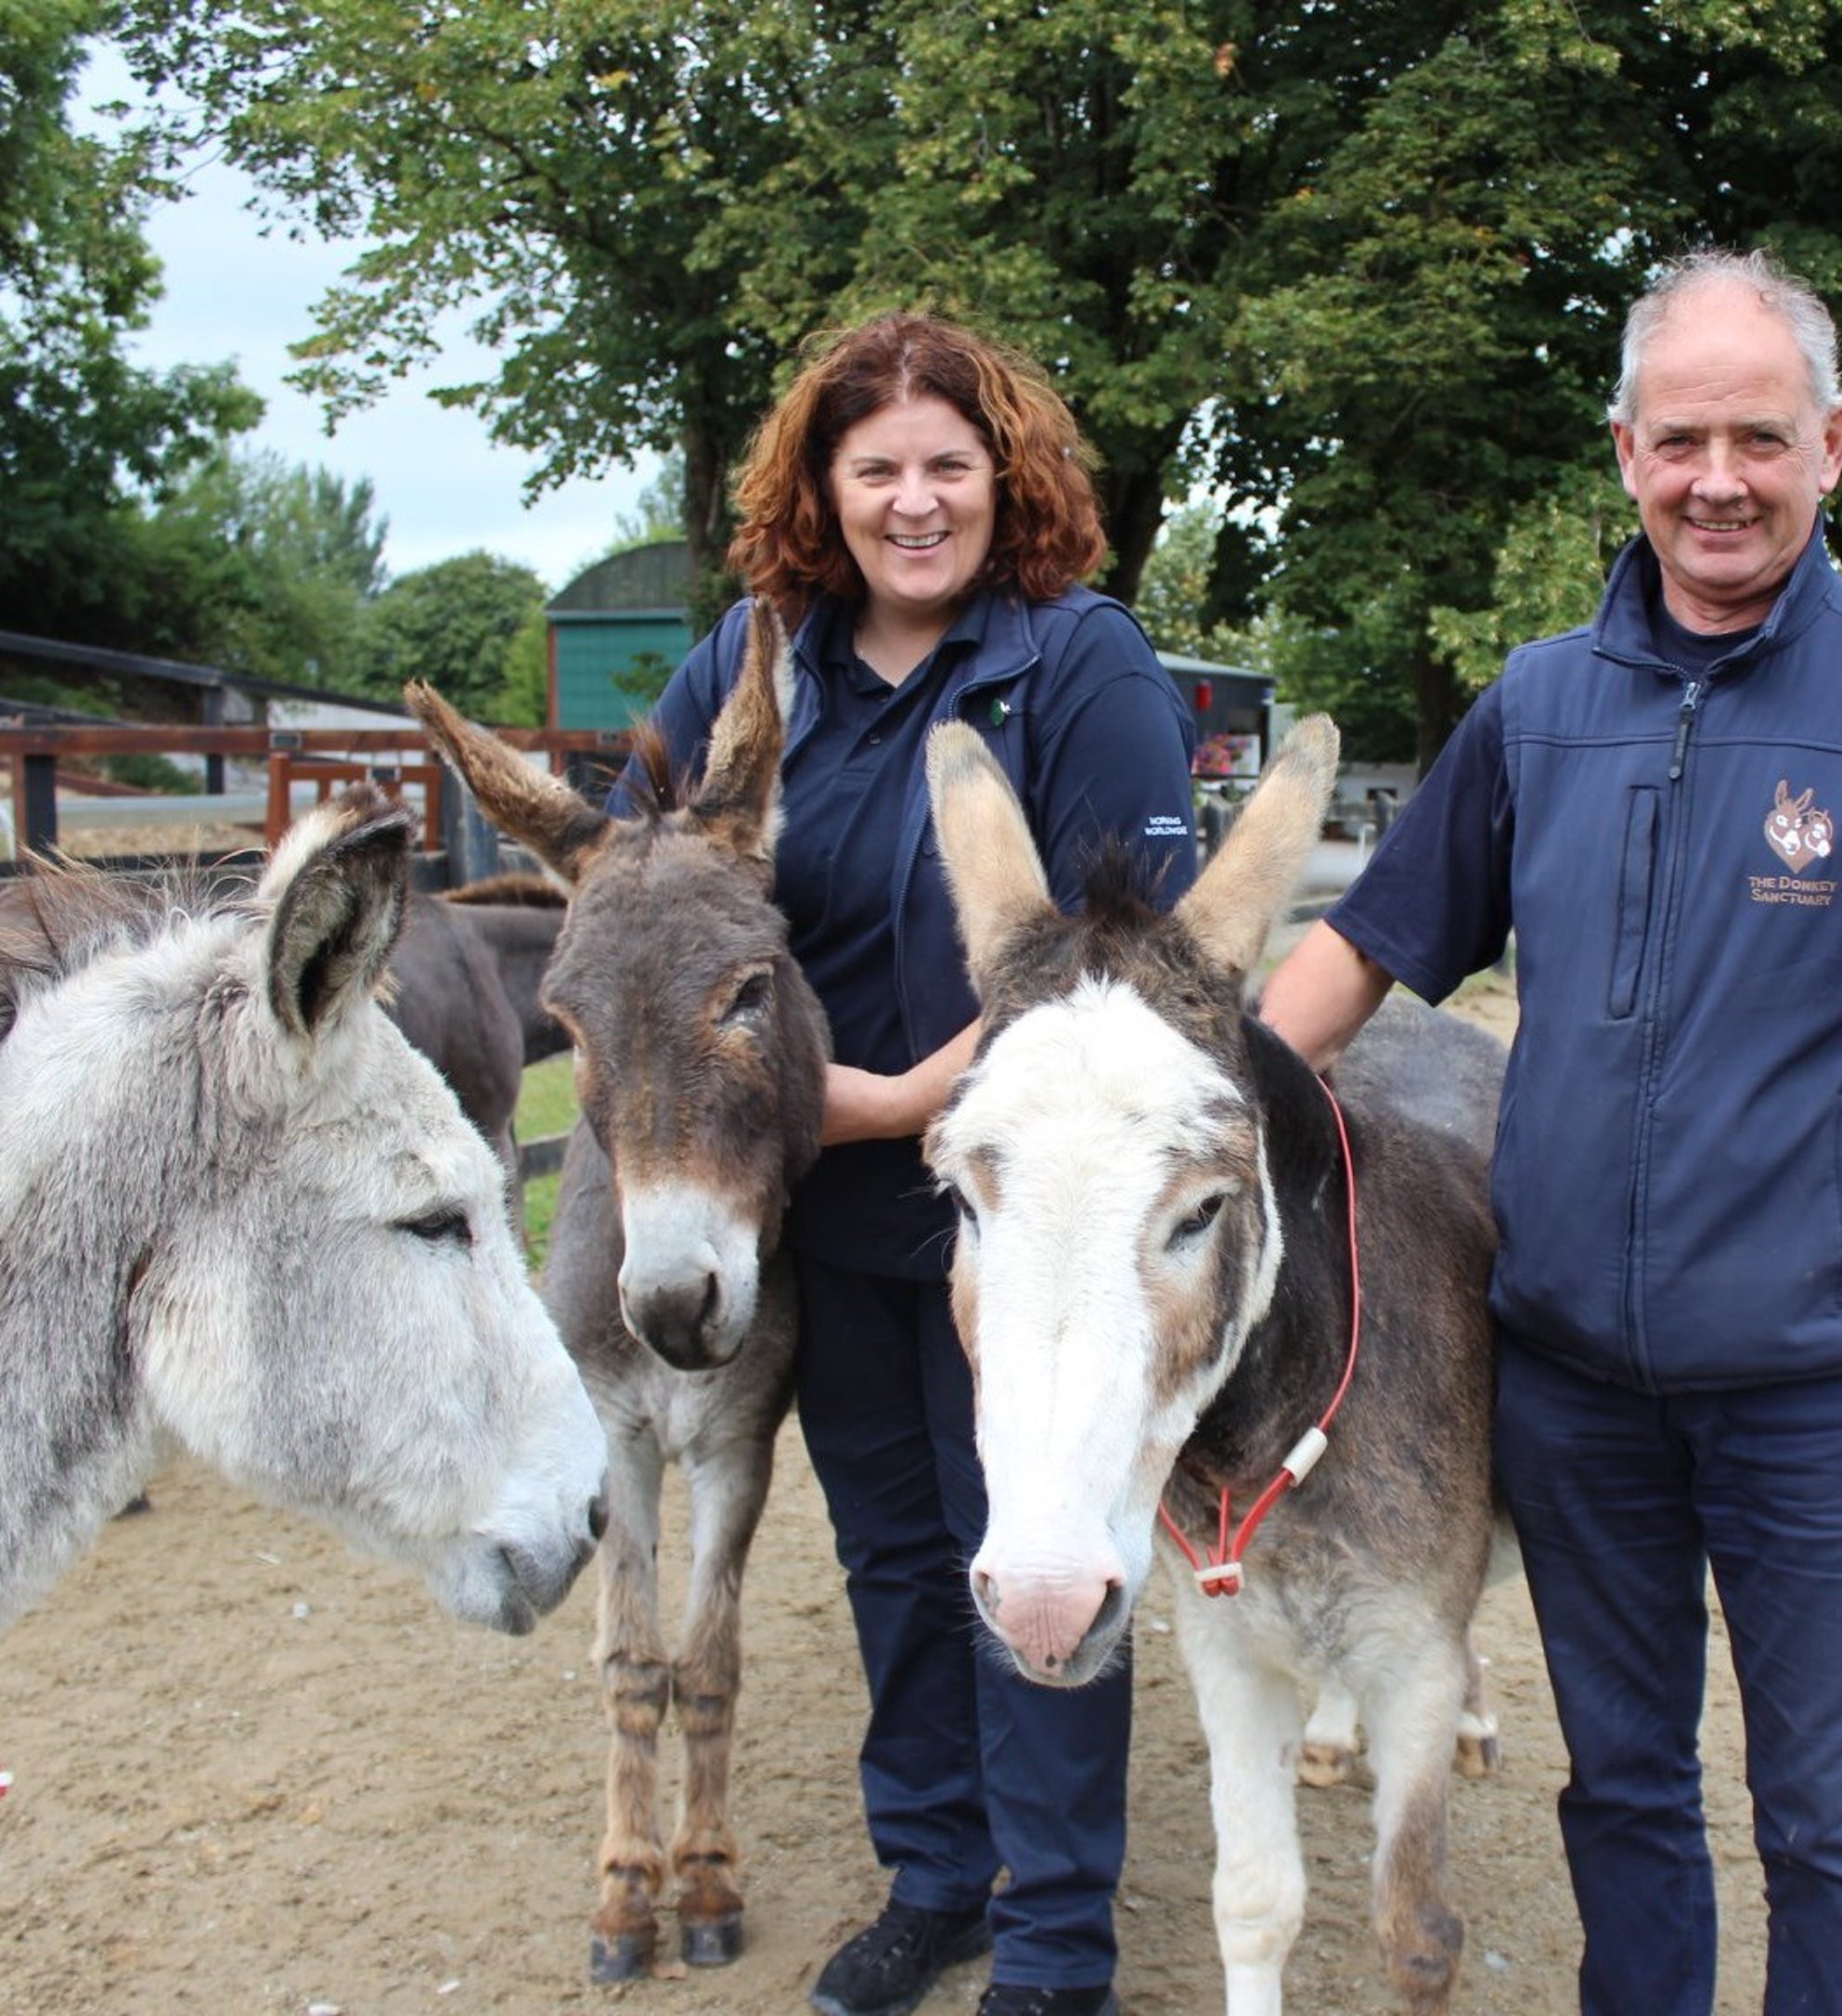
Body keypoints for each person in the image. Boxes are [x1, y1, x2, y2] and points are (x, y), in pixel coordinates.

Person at [1256, 248, 1842, 2014]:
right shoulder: (1539, 707)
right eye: (1682, 439)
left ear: (1836, 445)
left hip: (1829, 1388)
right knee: (1625, 1792)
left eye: (1761, 438)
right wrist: (1179, 1096)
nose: (1719, 479)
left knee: (1826, 1819)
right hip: (1573, 1384)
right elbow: (1362, 947)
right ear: (1625, 451)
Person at [627, 312, 1199, 2016]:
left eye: (949, 464)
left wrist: (884, 1105)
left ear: (1003, 472)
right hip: (826, 1219)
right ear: (822, 485)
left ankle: (1053, 1938)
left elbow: (1120, 957)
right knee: (894, 1552)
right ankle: (938, 1874)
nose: (915, 501)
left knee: (1032, 1547)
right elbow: (648, 879)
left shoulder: (1077, 661)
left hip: (1027, 1231)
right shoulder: (760, 657)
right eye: (875, 469)